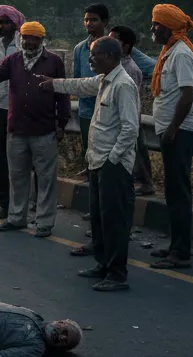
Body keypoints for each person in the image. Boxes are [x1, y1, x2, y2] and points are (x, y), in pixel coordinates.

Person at [37, 37, 139, 292]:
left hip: (112, 164)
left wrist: (112, 159)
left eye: (94, 55)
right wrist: (54, 84)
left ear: (109, 56)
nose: (90, 59)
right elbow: (81, 85)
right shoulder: (104, 79)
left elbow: (130, 129)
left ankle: (117, 274)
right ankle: (103, 264)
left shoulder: (123, 85)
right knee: (100, 218)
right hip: (97, 160)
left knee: (114, 221)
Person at [0, 21, 68, 238]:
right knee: (17, 176)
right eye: (26, 38)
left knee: (45, 179)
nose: (29, 42)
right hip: (17, 129)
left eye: (34, 38)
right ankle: (17, 217)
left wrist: (62, 123)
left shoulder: (53, 61)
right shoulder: (14, 60)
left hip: (44, 130)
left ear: (41, 40)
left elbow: (62, 92)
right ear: (22, 39)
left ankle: (44, 222)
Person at [147, 4, 193, 270]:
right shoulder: (169, 51)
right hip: (172, 130)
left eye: (157, 24)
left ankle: (181, 253)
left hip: (179, 132)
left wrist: (172, 128)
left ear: (168, 26)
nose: (152, 29)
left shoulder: (180, 54)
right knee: (172, 190)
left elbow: (187, 95)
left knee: (178, 192)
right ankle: (174, 245)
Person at [0, 4, 25, 219]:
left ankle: (22, 203)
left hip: (19, 106)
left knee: (19, 156)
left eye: (6, 22)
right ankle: (4, 202)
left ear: (15, 23)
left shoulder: (23, 44)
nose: (2, 26)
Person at [109, 25, 156, 196]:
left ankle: (146, 182)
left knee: (136, 152)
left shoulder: (131, 69)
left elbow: (130, 98)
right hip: (118, 118)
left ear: (126, 46)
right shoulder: (114, 65)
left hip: (128, 118)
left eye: (113, 40)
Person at [73, 4, 110, 160]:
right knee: (88, 150)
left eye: (93, 20)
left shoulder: (114, 46)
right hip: (86, 109)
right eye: (86, 20)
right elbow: (76, 79)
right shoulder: (80, 49)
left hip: (108, 108)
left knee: (106, 152)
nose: (89, 23)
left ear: (105, 22)